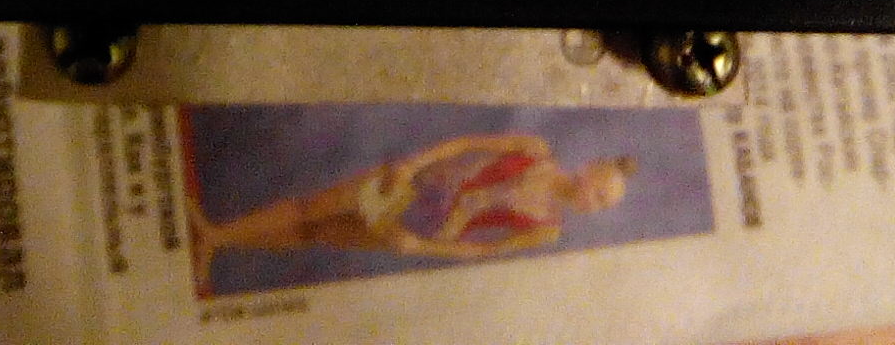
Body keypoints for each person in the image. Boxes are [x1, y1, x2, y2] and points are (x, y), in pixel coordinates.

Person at [190, 132, 639, 284]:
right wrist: (411, 164)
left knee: (319, 233)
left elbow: (481, 251)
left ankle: (222, 244)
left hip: (420, 228)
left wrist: (418, 247)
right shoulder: (534, 149)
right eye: (600, 193)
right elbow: (466, 144)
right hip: (414, 186)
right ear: (590, 169)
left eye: (603, 205)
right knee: (311, 208)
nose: (593, 205)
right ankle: (217, 234)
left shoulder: (548, 229)